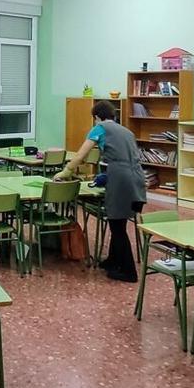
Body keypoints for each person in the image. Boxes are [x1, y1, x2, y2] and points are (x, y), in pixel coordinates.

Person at [54, 101, 146, 282]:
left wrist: (66, 172)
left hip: (121, 179)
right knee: (118, 222)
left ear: (96, 117)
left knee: (117, 226)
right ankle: (113, 260)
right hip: (137, 179)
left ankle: (128, 272)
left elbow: (81, 155)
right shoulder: (127, 131)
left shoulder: (99, 128)